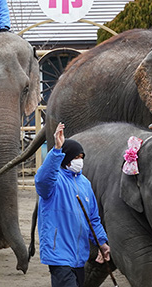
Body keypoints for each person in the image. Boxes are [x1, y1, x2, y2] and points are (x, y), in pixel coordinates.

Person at [35, 122, 111, 287]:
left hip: (79, 256)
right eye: (76, 157)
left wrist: (102, 243)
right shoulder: (54, 181)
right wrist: (56, 150)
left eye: (81, 158)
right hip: (58, 253)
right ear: (66, 158)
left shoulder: (85, 183)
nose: (79, 161)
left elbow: (93, 218)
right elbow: (42, 180)